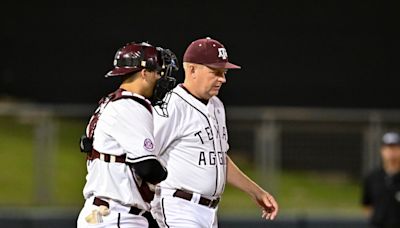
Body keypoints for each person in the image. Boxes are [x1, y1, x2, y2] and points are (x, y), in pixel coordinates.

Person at [150, 37, 278, 228]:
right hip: (178, 207)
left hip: (209, 212)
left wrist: (256, 192)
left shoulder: (217, 105)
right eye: (215, 72)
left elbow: (219, 158)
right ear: (192, 69)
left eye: (224, 73)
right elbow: (142, 156)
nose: (222, 79)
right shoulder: (171, 106)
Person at [77, 41, 178, 228]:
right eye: (158, 72)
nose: (161, 78)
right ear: (144, 73)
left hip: (100, 213)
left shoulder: (111, 102)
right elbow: (147, 167)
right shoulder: (131, 106)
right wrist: (166, 172)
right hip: (116, 215)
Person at [362, 131, 400, 228]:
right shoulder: (373, 177)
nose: (391, 152)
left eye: (395, 148)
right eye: (388, 148)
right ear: (382, 150)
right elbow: (367, 204)